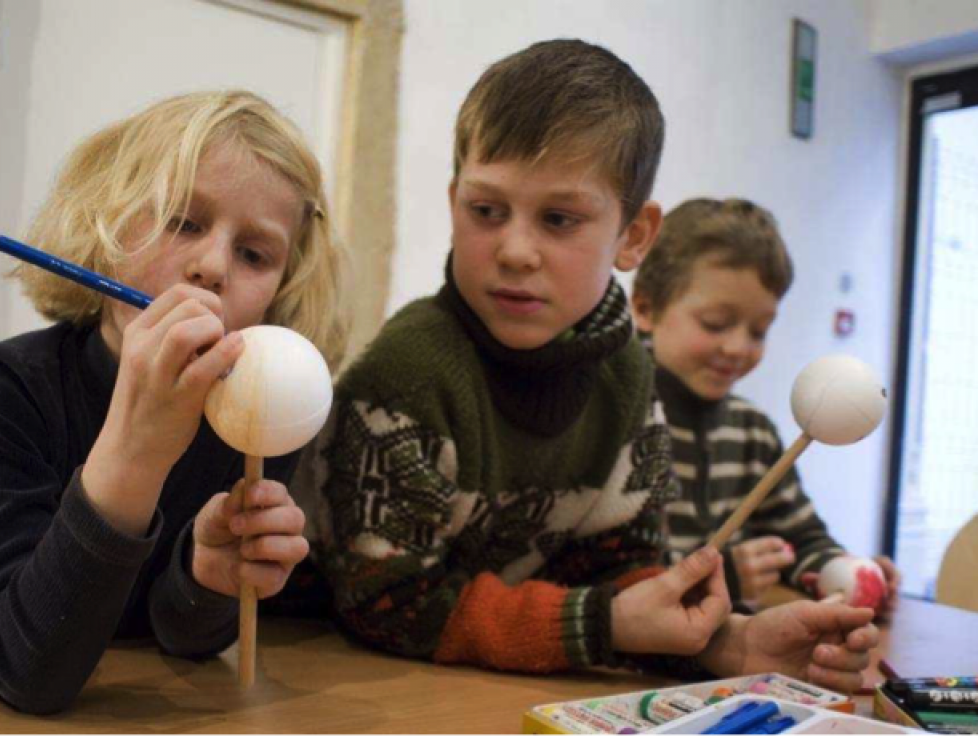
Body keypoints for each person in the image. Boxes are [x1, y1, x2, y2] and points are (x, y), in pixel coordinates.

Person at [297, 40, 877, 692]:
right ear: (455, 199)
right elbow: (389, 603)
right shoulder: (405, 376)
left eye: (559, 219)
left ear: (634, 237)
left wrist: (727, 643)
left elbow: (619, 573)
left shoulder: (628, 377)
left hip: (508, 688)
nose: (515, 251)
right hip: (363, 690)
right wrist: (606, 623)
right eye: (486, 210)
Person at [0, 90, 348, 714]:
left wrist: (205, 579)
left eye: (254, 254)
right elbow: (24, 674)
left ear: (281, 292)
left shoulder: (256, 414)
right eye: (182, 221)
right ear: (107, 219)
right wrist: (137, 451)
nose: (212, 266)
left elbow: (178, 639)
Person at [631, 197, 901, 608]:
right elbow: (613, 578)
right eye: (715, 324)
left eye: (758, 331)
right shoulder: (618, 421)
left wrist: (842, 571)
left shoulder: (752, 431)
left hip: (735, 643)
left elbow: (800, 539)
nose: (739, 347)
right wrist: (721, 578)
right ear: (645, 308)